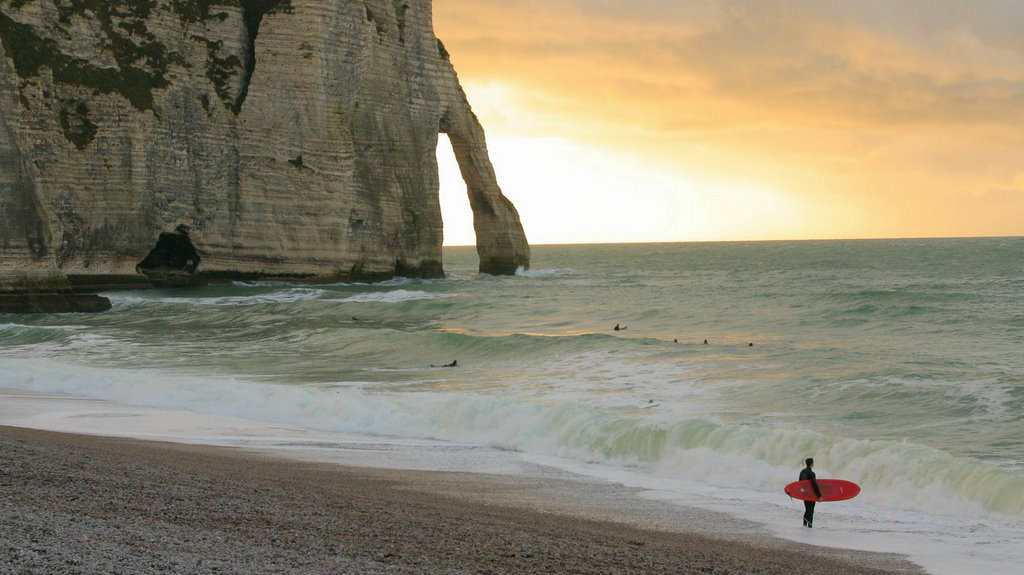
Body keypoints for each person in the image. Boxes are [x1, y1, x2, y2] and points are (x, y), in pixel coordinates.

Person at [800, 458, 822, 527]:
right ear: (812, 464)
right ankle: (810, 526)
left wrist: (801, 493)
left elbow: (800, 483)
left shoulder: (802, 472)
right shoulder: (812, 473)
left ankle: (804, 525)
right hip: (811, 494)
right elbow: (814, 485)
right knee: (811, 510)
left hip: (804, 494)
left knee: (807, 509)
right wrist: (819, 495)